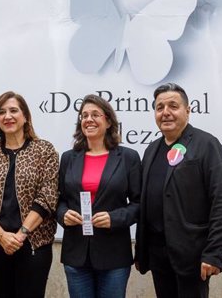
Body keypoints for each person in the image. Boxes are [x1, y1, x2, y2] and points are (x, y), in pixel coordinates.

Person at [135, 83, 222, 298]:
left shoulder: (207, 144)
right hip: (158, 254)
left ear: (187, 111)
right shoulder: (152, 149)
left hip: (192, 255)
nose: (166, 112)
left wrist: (214, 253)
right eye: (160, 107)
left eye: (173, 106)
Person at [0, 91, 59, 298]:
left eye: (13, 110)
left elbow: (47, 196)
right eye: (2, 112)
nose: (7, 116)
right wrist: (1, 236)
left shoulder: (44, 150)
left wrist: (20, 236)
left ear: (25, 116)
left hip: (34, 243)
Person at [57, 94, 141, 298]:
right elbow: (59, 200)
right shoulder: (68, 158)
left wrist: (115, 218)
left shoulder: (128, 157)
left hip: (113, 255)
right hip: (76, 255)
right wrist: (63, 214)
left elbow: (139, 204)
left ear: (108, 121)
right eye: (84, 115)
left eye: (95, 114)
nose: (88, 119)